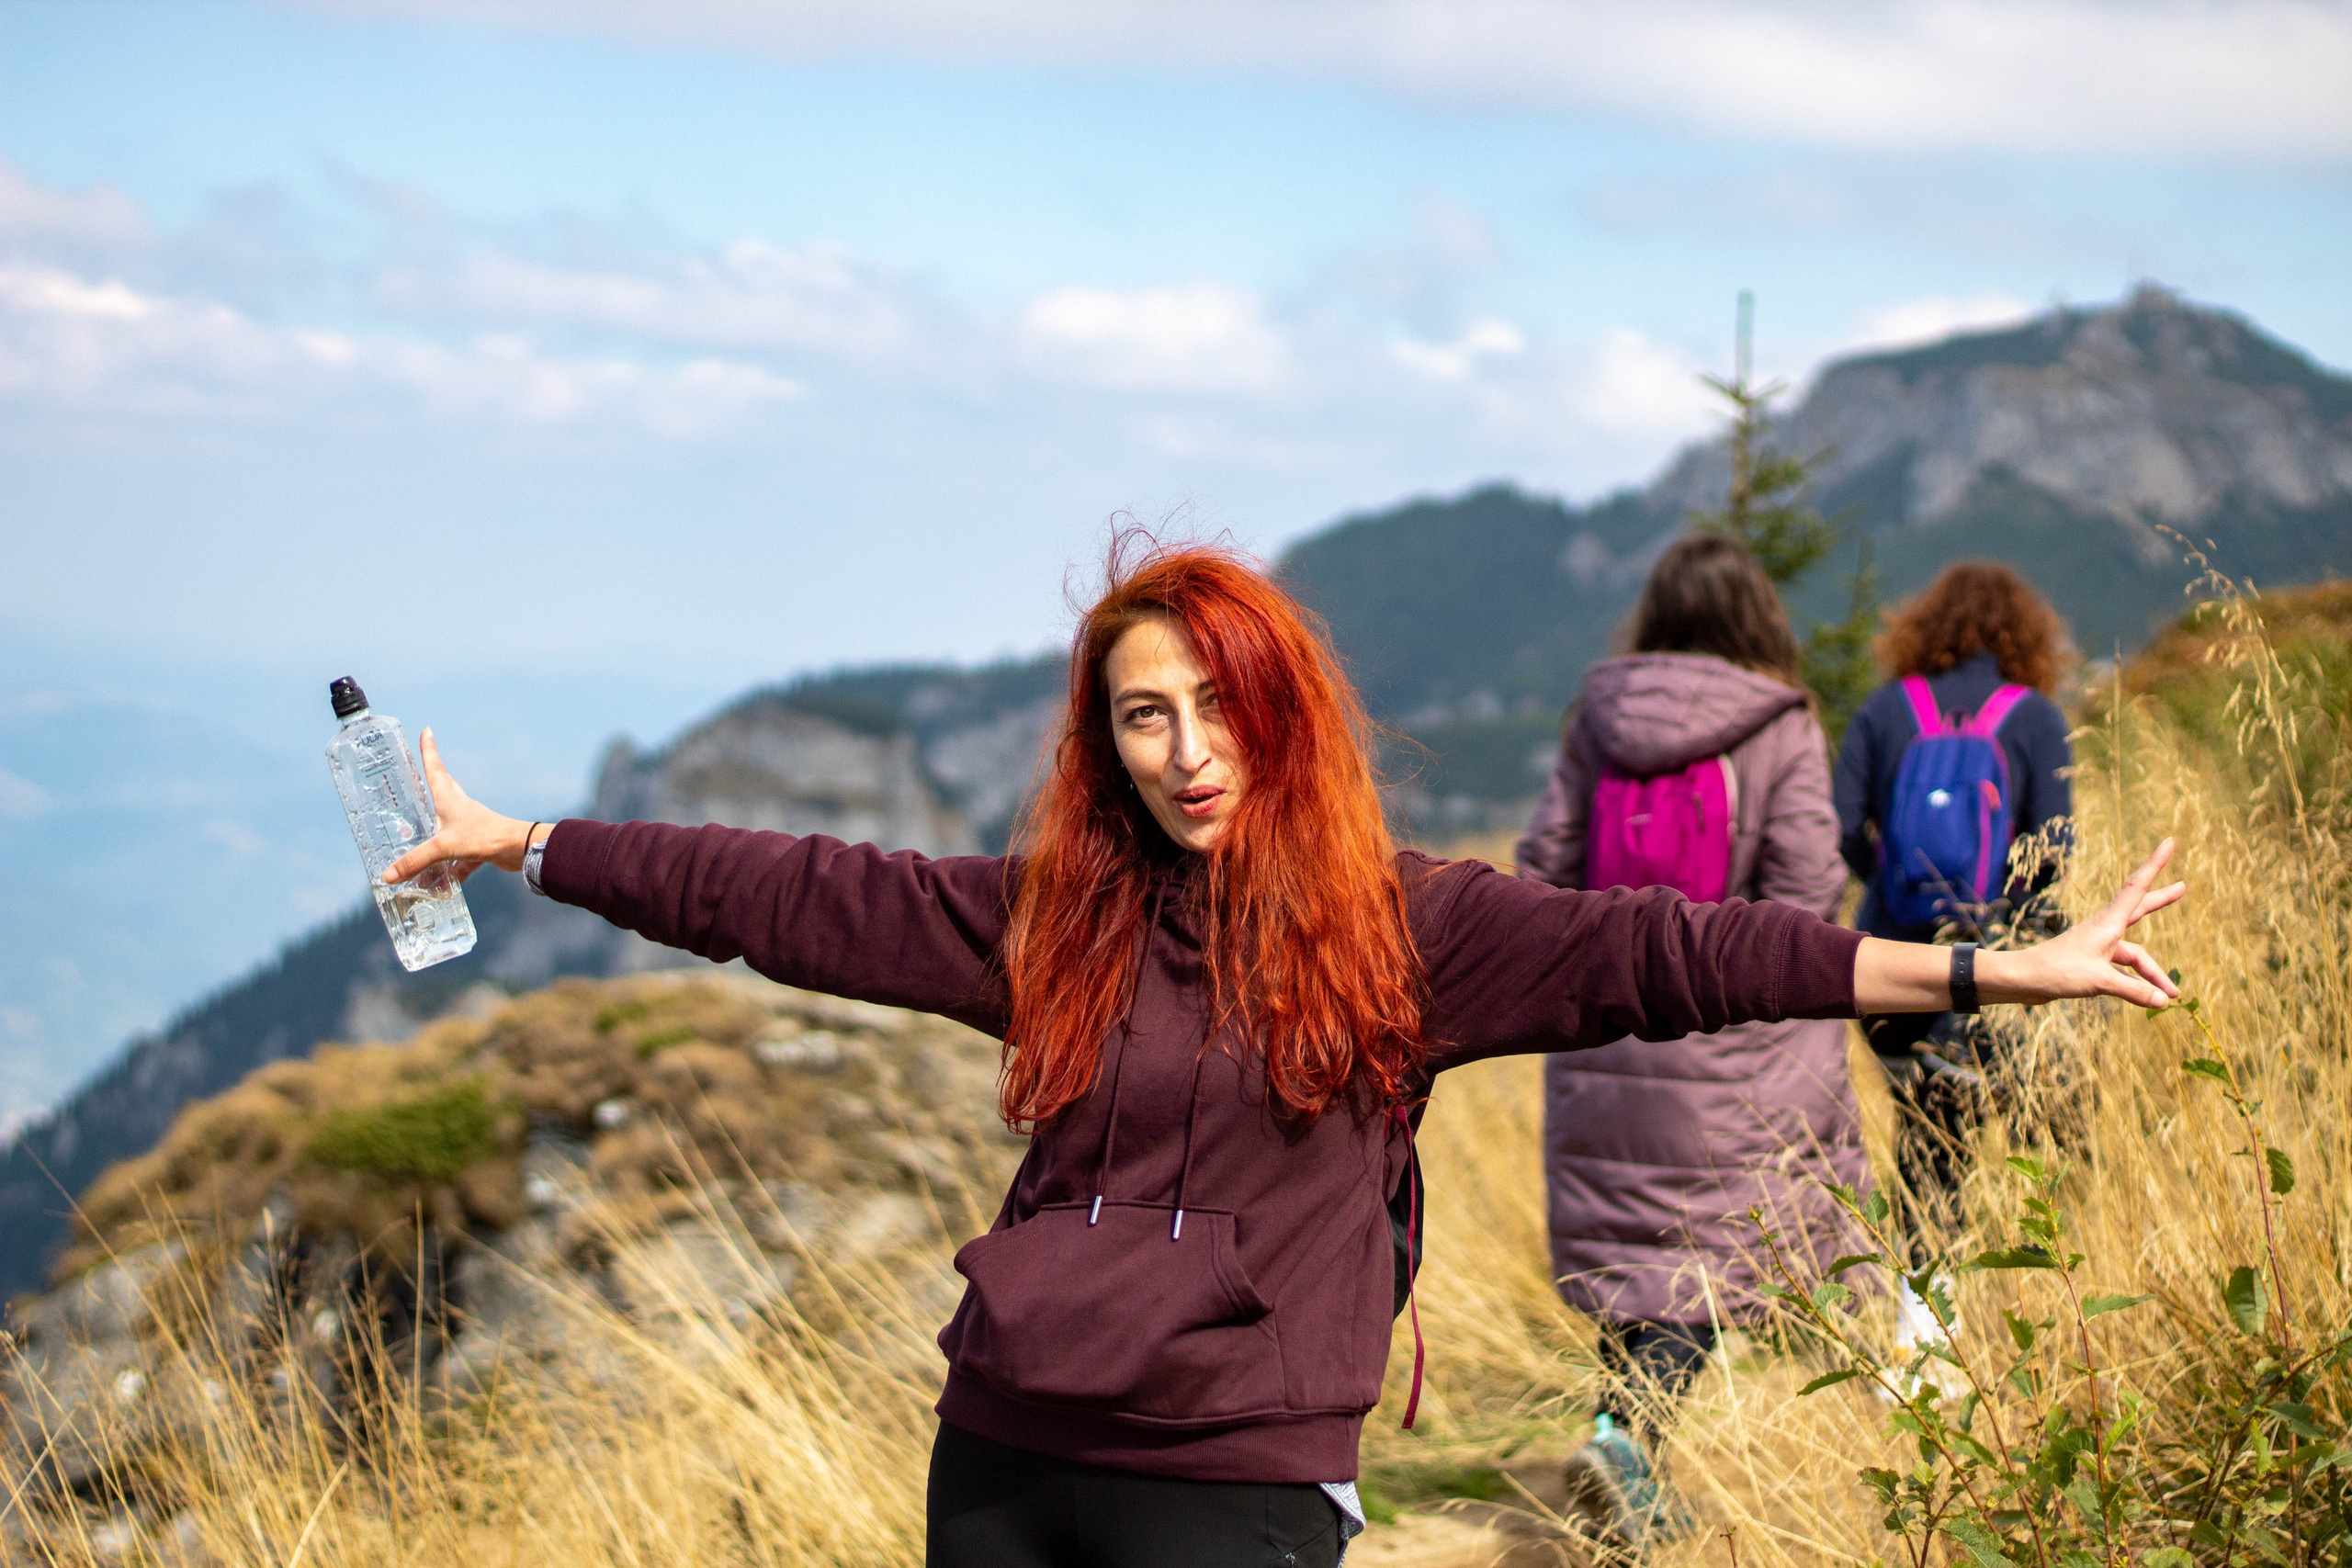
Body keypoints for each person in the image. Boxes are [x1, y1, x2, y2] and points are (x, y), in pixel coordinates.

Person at [386, 539, 2178, 1568]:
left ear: (1284, 714)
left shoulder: (1405, 931)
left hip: (1238, 1484)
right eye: (1140, 714)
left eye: (1213, 707)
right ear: (1103, 738)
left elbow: (1684, 951)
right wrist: (532, 842)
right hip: (1002, 1459)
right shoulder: (1052, 917)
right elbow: (787, 891)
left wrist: (1994, 972)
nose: (1182, 750)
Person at [1517, 535, 1867, 1551]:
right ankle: (1625, 1442)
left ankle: (1619, 1445)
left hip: (1607, 1027)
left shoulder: (1597, 717)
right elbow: (1808, 884)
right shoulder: (1781, 722)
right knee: (1700, 1264)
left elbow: (1543, 860)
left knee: (1632, 1256)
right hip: (1729, 1040)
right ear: (1756, 616)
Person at [1834, 560, 2075, 1274]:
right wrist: (2012, 927)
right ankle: (2035, 1316)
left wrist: (1889, 884)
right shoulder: (2033, 716)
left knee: (1926, 1139)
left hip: (1890, 964)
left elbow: (1843, 824)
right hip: (1999, 967)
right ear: (2025, 635)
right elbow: (2053, 849)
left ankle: (1924, 1330)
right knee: (2038, 1145)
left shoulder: (1884, 710)